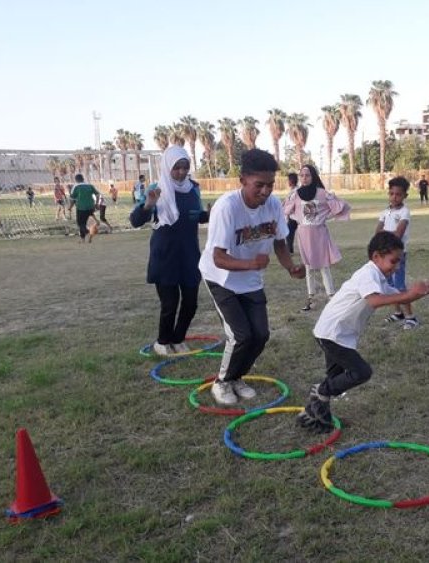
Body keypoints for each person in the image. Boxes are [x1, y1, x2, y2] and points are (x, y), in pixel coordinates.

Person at [297, 231, 429, 432]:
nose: (397, 267)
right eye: (393, 261)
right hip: (332, 333)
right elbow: (374, 300)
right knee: (361, 372)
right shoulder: (368, 274)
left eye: (399, 262)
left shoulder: (379, 278)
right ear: (376, 257)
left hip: (338, 334)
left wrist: (422, 292)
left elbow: (401, 297)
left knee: (334, 377)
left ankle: (313, 417)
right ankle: (320, 391)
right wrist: (411, 293)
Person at [199, 149, 305, 406]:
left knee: (261, 334)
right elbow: (219, 258)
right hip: (221, 279)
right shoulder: (227, 207)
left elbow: (280, 242)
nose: (266, 191)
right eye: (259, 185)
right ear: (243, 180)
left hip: (250, 280)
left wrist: (290, 266)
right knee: (241, 335)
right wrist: (252, 263)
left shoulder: (273, 205)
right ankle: (222, 381)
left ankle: (237, 377)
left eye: (270, 185)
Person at [130, 146, 210, 356]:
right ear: (167, 167)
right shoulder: (157, 189)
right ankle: (163, 342)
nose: (182, 172)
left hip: (189, 254)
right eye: (177, 168)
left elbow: (196, 215)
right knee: (170, 302)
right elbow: (136, 221)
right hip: (165, 255)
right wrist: (148, 205)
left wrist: (209, 214)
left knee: (191, 302)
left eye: (185, 167)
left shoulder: (193, 188)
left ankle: (178, 338)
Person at [282, 164, 350, 311]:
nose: (304, 178)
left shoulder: (322, 193)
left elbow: (338, 206)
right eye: (302, 175)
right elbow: (286, 209)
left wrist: (326, 217)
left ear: (313, 177)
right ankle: (311, 299)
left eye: (307, 175)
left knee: (324, 266)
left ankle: (331, 297)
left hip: (320, 235)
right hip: (304, 235)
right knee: (308, 268)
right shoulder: (295, 194)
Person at [375, 176, 419, 329]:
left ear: (405, 196)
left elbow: (398, 234)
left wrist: (384, 235)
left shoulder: (404, 212)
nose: (394, 197)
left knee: (399, 286)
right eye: (391, 193)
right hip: (385, 254)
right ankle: (398, 313)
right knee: (389, 285)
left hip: (397, 255)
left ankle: (411, 317)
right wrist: (385, 235)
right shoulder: (385, 211)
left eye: (398, 194)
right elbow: (377, 232)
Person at [67, 174, 100, 243]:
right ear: (83, 178)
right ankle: (83, 240)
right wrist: (96, 204)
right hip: (91, 207)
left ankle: (87, 231)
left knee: (80, 224)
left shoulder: (76, 186)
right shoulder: (89, 185)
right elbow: (97, 194)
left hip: (81, 208)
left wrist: (70, 207)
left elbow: (73, 199)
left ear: (76, 180)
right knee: (87, 223)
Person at [283, 172, 299, 254]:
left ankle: (289, 250)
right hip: (291, 216)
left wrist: (286, 211)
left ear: (291, 181)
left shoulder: (296, 191)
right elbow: (287, 202)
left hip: (295, 217)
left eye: (288, 180)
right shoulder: (292, 191)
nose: (287, 182)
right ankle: (290, 250)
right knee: (289, 233)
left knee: (289, 233)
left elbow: (292, 204)